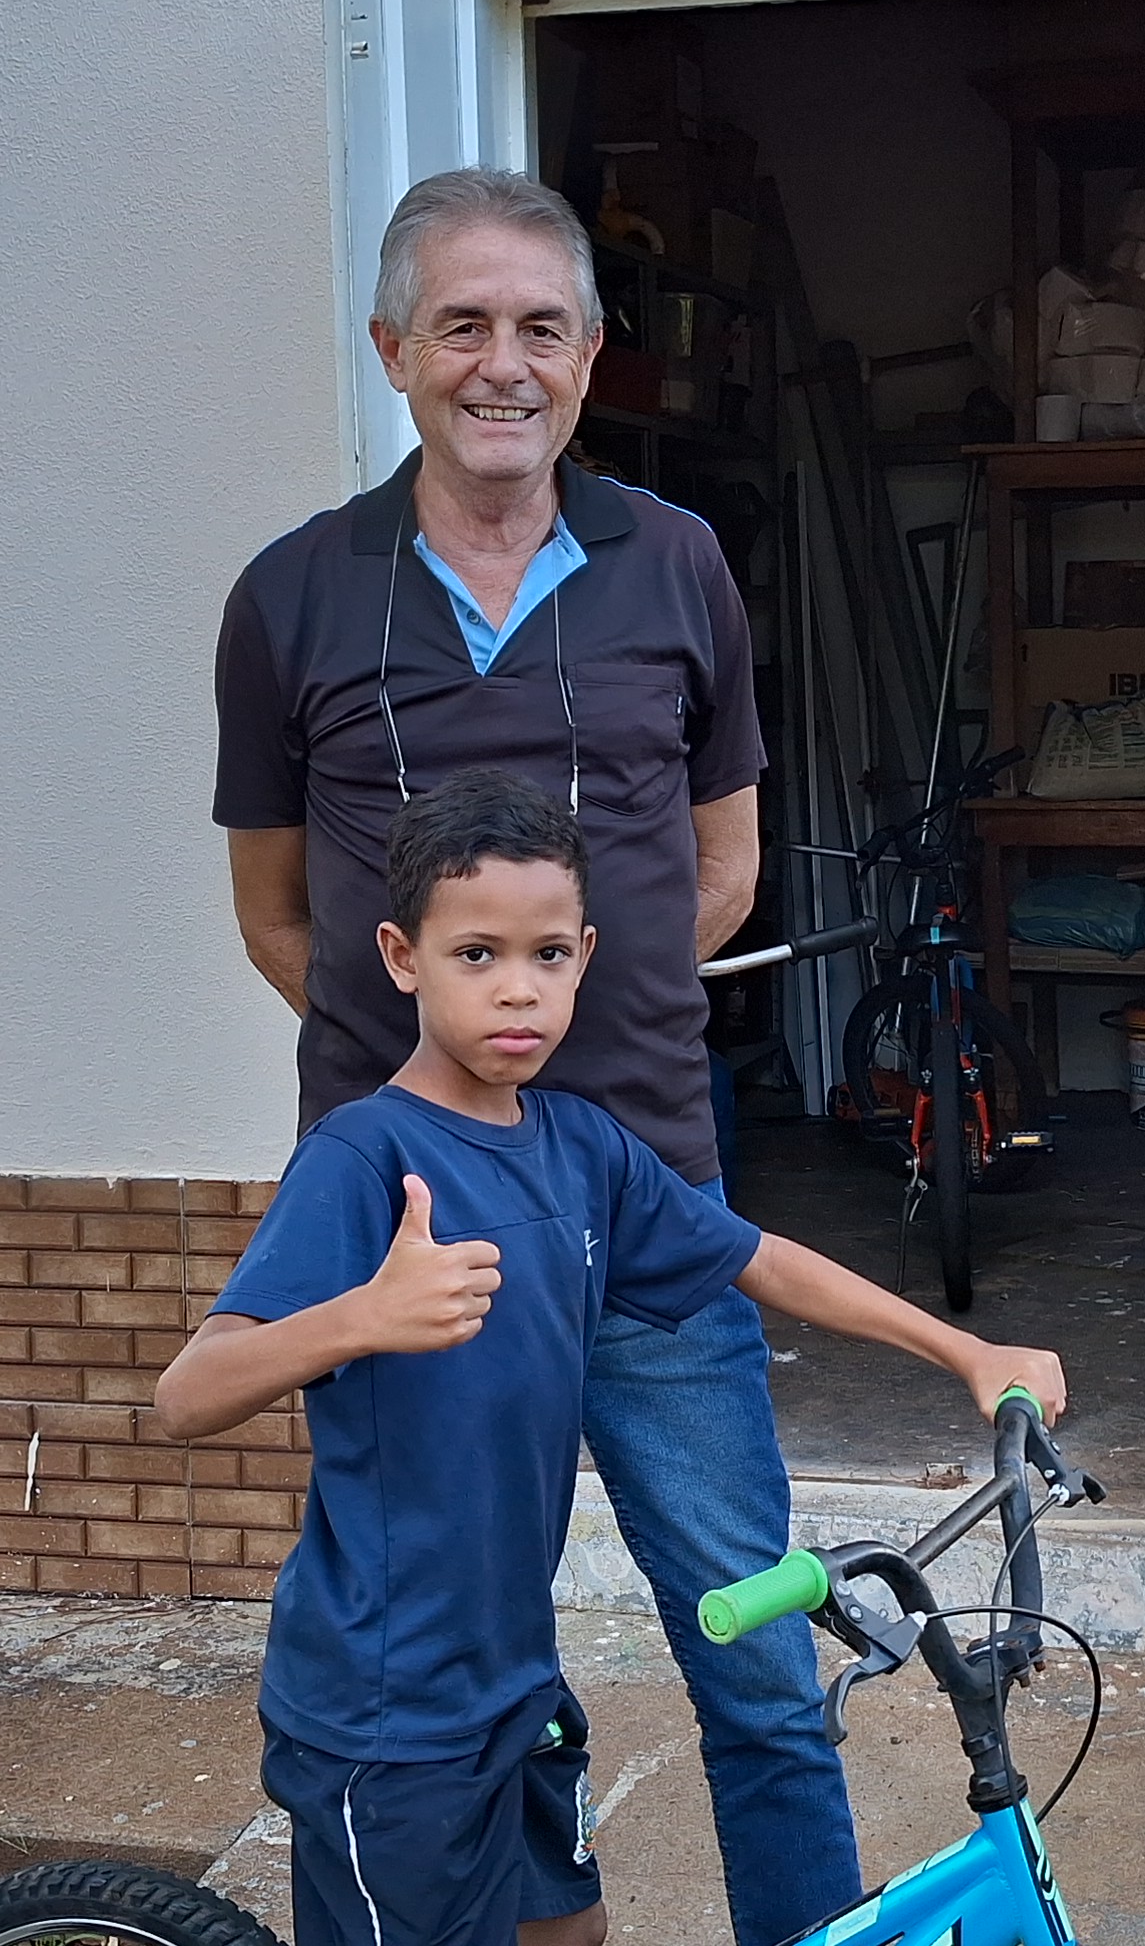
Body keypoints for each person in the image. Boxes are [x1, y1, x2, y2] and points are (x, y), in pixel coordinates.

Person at [212, 168, 850, 1942]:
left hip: (648, 1214)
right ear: (393, 349)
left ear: (589, 353)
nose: (504, 363)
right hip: (419, 1247)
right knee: (451, 1659)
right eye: (464, 325)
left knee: (763, 1672)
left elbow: (724, 865)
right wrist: (449, 1097)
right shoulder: (293, 595)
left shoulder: (680, 563)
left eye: (541, 328)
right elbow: (275, 914)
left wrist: (578, 1045)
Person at [158, 771, 1064, 1946]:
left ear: (585, 957)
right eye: (476, 954)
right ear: (401, 958)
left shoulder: (581, 1148)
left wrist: (963, 1348)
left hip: (517, 1685)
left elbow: (761, 1260)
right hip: (390, 1711)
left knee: (570, 1932)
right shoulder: (365, 1156)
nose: (518, 988)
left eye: (547, 954)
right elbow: (190, 1394)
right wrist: (362, 1317)